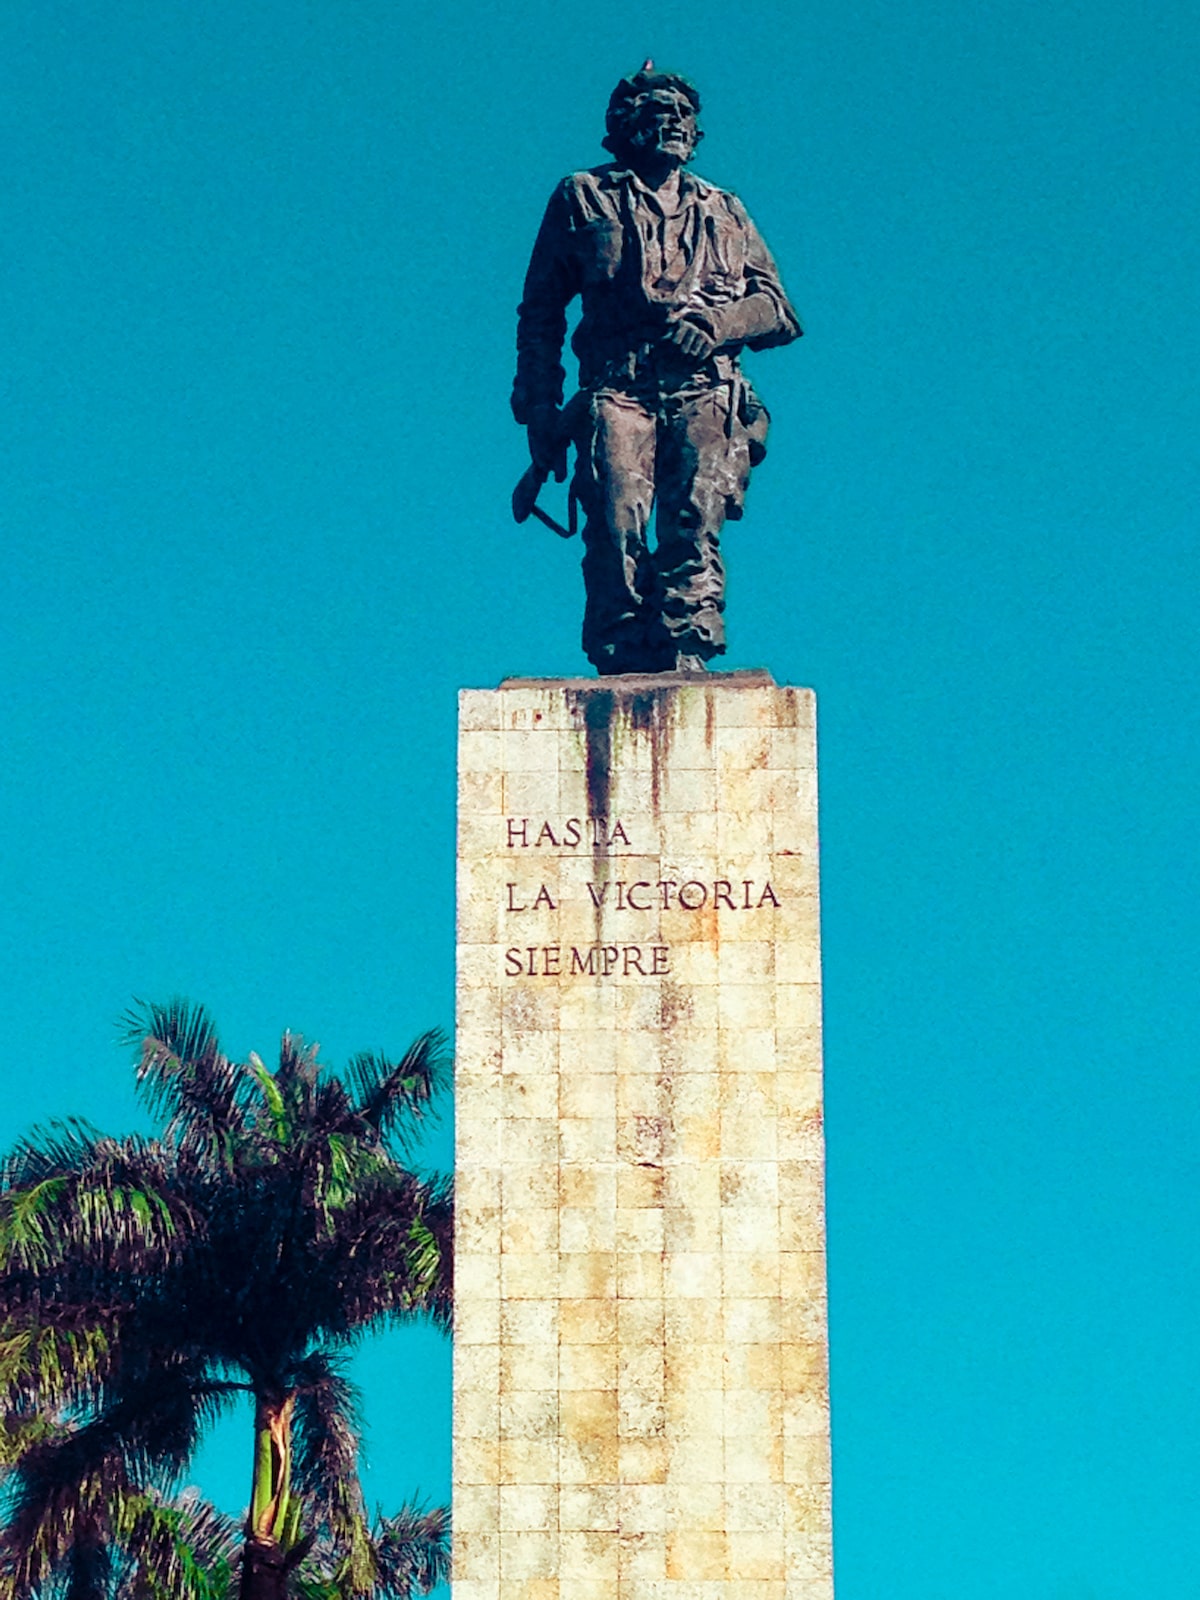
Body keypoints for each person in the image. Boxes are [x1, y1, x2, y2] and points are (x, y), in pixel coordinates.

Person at [512, 63, 801, 674]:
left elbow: (777, 309)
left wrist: (717, 326)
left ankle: (687, 645)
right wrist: (540, 409)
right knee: (617, 516)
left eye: (682, 115)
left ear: (697, 135)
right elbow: (541, 312)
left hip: (704, 387)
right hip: (616, 386)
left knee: (694, 518)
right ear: (623, 127)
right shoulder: (582, 196)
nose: (671, 123)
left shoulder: (724, 209)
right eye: (655, 111)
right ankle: (620, 649)